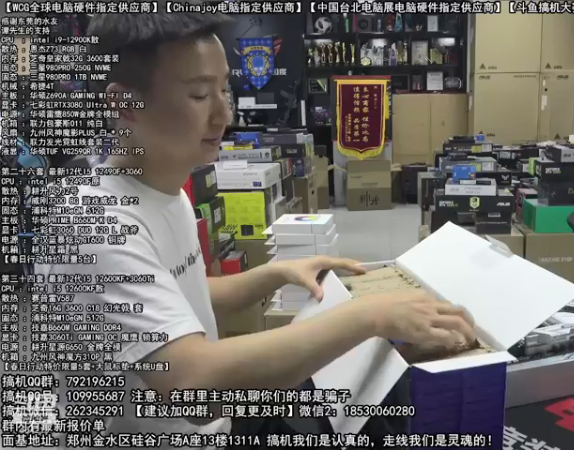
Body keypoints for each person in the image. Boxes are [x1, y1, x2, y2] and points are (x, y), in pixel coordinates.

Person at [35, 11, 475, 450]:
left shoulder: (165, 191)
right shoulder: (95, 225)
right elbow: (192, 388)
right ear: (126, 104)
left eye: (223, 89)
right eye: (198, 94)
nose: (224, 113)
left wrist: (276, 273)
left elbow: (182, 294)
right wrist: (369, 316)